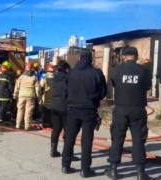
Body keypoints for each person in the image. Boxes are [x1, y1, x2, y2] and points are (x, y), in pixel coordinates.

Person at [104, 47, 152, 180]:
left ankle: (113, 170)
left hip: (121, 109)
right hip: (138, 109)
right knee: (138, 140)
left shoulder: (116, 70)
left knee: (117, 138)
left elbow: (114, 84)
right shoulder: (144, 71)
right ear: (136, 56)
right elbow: (147, 86)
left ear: (124, 56)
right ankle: (140, 173)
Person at [61, 50, 107, 178]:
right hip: (89, 110)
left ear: (80, 58)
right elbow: (103, 92)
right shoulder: (96, 73)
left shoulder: (71, 73)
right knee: (86, 140)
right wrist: (94, 98)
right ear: (90, 59)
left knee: (69, 138)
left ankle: (65, 165)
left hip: (72, 109)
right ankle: (85, 170)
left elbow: (65, 90)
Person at [13, 63, 40, 130]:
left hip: (21, 96)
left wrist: (15, 95)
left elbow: (17, 87)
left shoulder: (21, 77)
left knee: (20, 110)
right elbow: (37, 88)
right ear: (32, 69)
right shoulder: (34, 77)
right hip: (30, 96)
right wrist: (38, 97)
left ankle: (18, 125)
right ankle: (27, 126)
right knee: (28, 111)